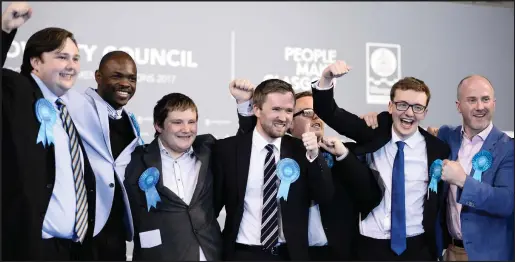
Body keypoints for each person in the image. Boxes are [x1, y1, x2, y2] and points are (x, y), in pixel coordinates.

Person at [361, 74, 514, 261]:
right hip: (448, 251)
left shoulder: (508, 147)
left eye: (485, 99)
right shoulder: (446, 136)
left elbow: (507, 202)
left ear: (494, 103)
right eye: (472, 100)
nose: (480, 107)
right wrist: (379, 119)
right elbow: (408, 126)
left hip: (488, 255)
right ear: (458, 106)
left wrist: (463, 181)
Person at [311, 61, 450, 260]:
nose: (409, 113)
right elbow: (330, 113)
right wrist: (326, 78)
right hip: (370, 245)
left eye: (418, 107)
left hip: (418, 248)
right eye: (402, 105)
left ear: (425, 113)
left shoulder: (438, 148)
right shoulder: (374, 130)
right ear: (390, 106)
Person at [234, 85, 383, 260]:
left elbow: (370, 196)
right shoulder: (275, 157)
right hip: (292, 254)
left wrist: (344, 156)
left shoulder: (341, 154)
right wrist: (244, 104)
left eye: (319, 112)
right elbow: (247, 143)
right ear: (289, 124)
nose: (315, 116)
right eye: (306, 112)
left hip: (336, 254)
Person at [2, 2, 96, 260]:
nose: (72, 66)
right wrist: (4, 29)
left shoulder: (65, 111)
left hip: (69, 250)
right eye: (61, 57)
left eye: (76, 58)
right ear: (35, 62)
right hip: (29, 249)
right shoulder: (16, 91)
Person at [124, 85, 255, 261]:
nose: (187, 129)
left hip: (210, 253)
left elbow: (242, 146)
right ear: (158, 125)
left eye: (191, 122)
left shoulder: (208, 149)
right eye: (177, 122)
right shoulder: (136, 159)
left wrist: (244, 103)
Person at [212, 79, 335, 261]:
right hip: (242, 254)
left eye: (288, 111)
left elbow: (325, 196)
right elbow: (210, 208)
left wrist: (314, 156)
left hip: (290, 255)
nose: (283, 117)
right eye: (276, 109)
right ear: (257, 110)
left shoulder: (302, 150)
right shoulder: (228, 150)